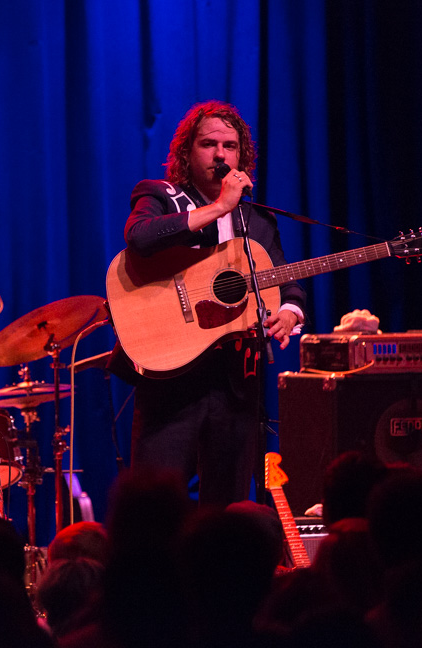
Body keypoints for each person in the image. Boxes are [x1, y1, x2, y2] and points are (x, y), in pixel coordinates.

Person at [118, 100, 307, 507]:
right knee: (155, 510)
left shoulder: (258, 221)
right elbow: (140, 237)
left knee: (228, 510)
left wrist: (289, 314)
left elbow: (287, 284)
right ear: (188, 152)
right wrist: (219, 207)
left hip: (236, 386)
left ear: (242, 155)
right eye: (209, 144)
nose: (220, 154)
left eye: (230, 146)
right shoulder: (160, 195)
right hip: (171, 383)